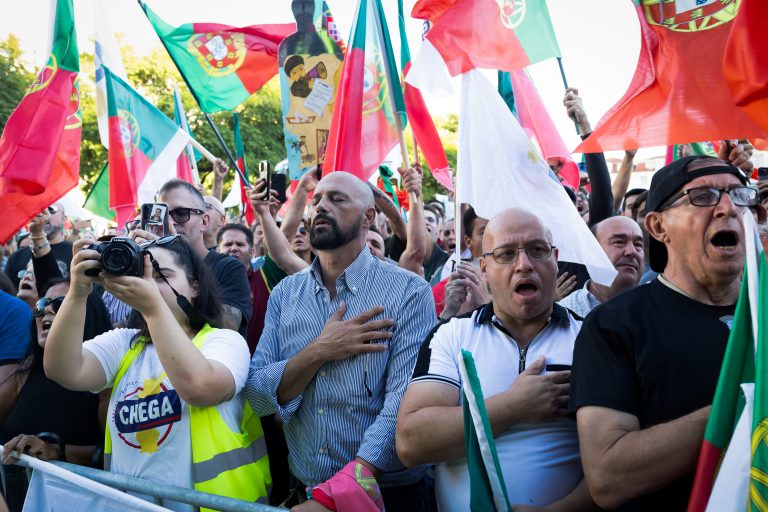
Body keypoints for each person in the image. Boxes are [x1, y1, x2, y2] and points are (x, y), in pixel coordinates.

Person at [570, 155, 758, 509]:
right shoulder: (615, 325)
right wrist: (748, 401)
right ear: (657, 227)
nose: (729, 208)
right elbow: (609, 476)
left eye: (740, 195)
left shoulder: (761, 313)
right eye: (703, 196)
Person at [246, 172, 436, 511]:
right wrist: (320, 350)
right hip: (306, 491)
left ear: (368, 217)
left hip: (388, 496)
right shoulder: (286, 295)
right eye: (317, 199)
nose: (320, 206)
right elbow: (259, 396)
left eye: (337, 199)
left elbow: (402, 405)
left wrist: (341, 494)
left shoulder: (408, 292)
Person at [42, 235, 270, 510]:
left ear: (194, 286)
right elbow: (62, 369)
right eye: (144, 274)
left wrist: (153, 308)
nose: (151, 283)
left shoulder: (223, 341)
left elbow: (201, 388)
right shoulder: (124, 343)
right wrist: (78, 292)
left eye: (161, 275)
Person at [396, 208, 593, 511]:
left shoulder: (590, 339)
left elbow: (616, 459)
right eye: (506, 254)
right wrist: (514, 406)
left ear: (555, 259)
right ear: (484, 267)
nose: (524, 265)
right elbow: (411, 443)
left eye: (537, 250)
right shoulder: (451, 335)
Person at [1, 277, 111, 512]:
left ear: (88, 313)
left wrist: (58, 452)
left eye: (60, 303)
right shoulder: (25, 372)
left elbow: (117, 454)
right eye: (41, 305)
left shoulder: (106, 379)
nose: (47, 310)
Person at [156, 179, 251, 336]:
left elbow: (229, 324)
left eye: (181, 213)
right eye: (164, 215)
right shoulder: (151, 268)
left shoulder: (229, 267)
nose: (171, 222)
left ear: (204, 221)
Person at [558, 216, 644, 317]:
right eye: (619, 242)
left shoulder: (662, 309)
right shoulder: (562, 317)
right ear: (592, 252)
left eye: (638, 244)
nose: (632, 251)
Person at [6, 204, 72, 290]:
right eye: (41, 210)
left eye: (51, 210)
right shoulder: (16, 257)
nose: (44, 215)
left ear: (64, 218)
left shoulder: (75, 253)